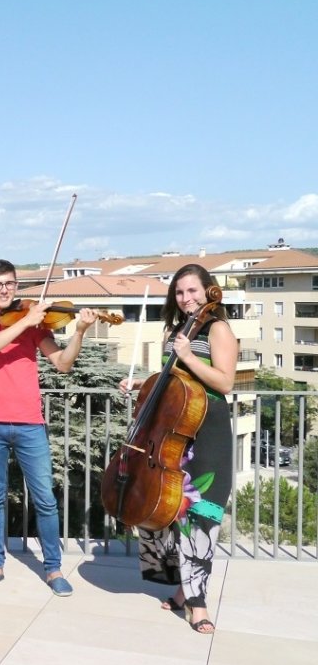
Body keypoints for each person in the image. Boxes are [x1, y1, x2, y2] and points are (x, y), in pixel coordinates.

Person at [0, 259, 97, 597]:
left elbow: (63, 365)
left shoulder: (33, 325)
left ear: (16, 285)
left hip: (29, 423)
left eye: (9, 283)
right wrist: (25, 324)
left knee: (45, 499)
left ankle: (53, 569)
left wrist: (78, 331)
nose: (4, 289)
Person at [118, 263, 235, 634]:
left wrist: (186, 356)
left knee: (203, 515)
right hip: (174, 433)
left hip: (210, 430)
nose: (186, 298)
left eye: (193, 291)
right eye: (180, 293)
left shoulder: (218, 329)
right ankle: (184, 590)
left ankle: (197, 604)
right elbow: (172, 385)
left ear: (208, 291)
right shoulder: (176, 330)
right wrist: (140, 384)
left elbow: (225, 382)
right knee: (169, 511)